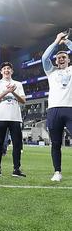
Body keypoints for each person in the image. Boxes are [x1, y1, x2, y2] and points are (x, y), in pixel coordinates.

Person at [41, 30, 72, 181]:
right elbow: (44, 57)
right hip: (53, 110)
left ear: (68, 60)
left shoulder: (71, 70)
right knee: (56, 143)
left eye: (64, 57)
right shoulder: (51, 72)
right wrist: (56, 41)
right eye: (58, 57)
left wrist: (66, 42)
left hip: (70, 108)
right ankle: (57, 172)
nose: (60, 59)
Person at [0, 62, 26, 177]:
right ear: (1, 71)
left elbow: (23, 100)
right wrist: (7, 91)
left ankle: (16, 169)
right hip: (0, 117)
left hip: (15, 118)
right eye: (4, 68)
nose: (6, 70)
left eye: (9, 68)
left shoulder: (18, 84)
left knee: (17, 144)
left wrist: (13, 92)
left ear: (12, 71)